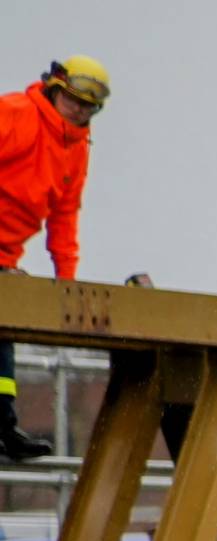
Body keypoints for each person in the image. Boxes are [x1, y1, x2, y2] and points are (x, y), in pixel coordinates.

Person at [0, 56, 108, 462]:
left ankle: (2, 424)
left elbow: (63, 218)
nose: (80, 110)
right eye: (73, 100)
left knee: (2, 334)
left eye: (88, 106)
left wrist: (67, 284)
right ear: (54, 89)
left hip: (5, 257)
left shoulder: (75, 151)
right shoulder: (14, 114)